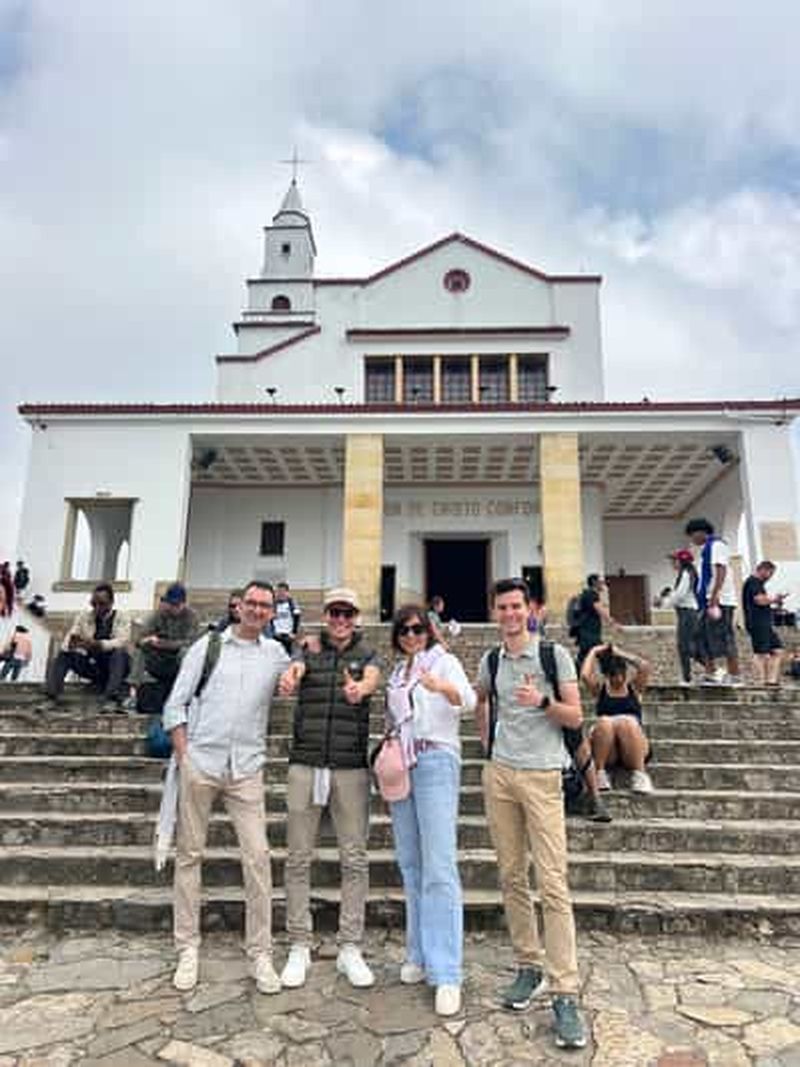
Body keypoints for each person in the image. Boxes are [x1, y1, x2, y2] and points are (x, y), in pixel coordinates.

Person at [475, 577, 587, 1051]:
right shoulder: (491, 658)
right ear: (495, 612)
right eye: (502, 607)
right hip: (500, 774)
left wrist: (541, 701)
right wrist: (487, 747)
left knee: (554, 882)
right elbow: (481, 700)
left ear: (531, 609)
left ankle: (565, 991)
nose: (510, 614)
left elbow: (576, 717)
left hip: (543, 775)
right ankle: (528, 966)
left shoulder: (552, 656)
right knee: (511, 876)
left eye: (517, 606)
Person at [163, 580, 289, 995]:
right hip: (202, 761)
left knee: (258, 857)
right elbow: (175, 703)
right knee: (189, 854)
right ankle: (187, 947)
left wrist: (299, 669)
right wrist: (185, 757)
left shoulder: (274, 654)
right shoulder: (208, 646)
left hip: (246, 767)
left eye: (264, 606)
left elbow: (295, 671)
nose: (256, 610)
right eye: (250, 603)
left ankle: (260, 952)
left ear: (273, 612)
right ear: (238, 607)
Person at [277, 588, 381, 990]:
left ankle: (350, 946)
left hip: (350, 768)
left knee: (354, 858)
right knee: (298, 858)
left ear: (356, 617)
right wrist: (291, 675)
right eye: (334, 612)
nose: (340, 619)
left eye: (347, 613)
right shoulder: (308, 649)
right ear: (325, 614)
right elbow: (296, 669)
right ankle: (299, 944)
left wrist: (361, 689)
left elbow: (371, 679)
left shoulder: (368, 656)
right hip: (305, 763)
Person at [385, 604, 476, 1017]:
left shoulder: (446, 661)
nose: (411, 636)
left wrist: (441, 687)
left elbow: (469, 701)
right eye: (404, 630)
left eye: (418, 629)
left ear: (430, 630)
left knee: (439, 865)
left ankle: (447, 971)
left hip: (437, 760)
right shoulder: (397, 672)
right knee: (410, 864)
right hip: (403, 766)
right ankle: (418, 953)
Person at [43, 583, 131, 711]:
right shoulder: (83, 617)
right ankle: (51, 697)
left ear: (111, 603)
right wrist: (75, 645)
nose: (97, 608)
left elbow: (122, 640)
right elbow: (69, 640)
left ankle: (112, 699)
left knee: (119, 653)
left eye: (101, 603)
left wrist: (98, 644)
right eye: (94, 603)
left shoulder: (122, 616)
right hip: (92, 665)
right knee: (64, 655)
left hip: (115, 667)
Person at [581, 644, 653, 793]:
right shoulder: (600, 689)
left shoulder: (634, 687)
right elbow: (585, 676)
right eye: (614, 675)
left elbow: (644, 667)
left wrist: (620, 653)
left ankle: (640, 774)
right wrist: (593, 651)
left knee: (626, 722)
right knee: (605, 722)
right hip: (608, 749)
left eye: (622, 674)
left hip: (633, 746)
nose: (619, 679)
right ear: (607, 675)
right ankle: (600, 773)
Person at [126, 582, 198, 712]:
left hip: (177, 661)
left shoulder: (191, 617)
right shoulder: (159, 614)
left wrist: (164, 644)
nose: (172, 607)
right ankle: (133, 694)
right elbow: (138, 639)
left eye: (176, 604)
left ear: (184, 603)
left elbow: (190, 643)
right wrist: (147, 640)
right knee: (140, 650)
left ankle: (186, 694)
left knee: (185, 652)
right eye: (170, 604)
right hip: (159, 659)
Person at [685, 518, 741, 685]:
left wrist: (716, 594)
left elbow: (720, 569)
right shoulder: (704, 551)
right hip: (706, 600)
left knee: (724, 638)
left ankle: (734, 674)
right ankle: (711, 672)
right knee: (700, 637)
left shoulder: (717, 546)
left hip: (720, 600)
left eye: (692, 535)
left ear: (701, 531)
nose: (692, 540)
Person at [742, 561, 785, 686]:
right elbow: (759, 600)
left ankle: (771, 681)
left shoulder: (758, 584)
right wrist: (775, 599)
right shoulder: (753, 582)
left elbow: (762, 603)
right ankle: (759, 681)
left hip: (764, 622)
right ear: (762, 570)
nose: (770, 577)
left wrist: (774, 606)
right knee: (760, 653)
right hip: (757, 622)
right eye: (770, 573)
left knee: (777, 651)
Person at [571, 574, 619, 670]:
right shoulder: (591, 594)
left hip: (586, 632)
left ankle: (574, 677)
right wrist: (612, 622)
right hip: (589, 633)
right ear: (594, 583)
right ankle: (612, 677)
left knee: (583, 657)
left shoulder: (587, 594)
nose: (603, 584)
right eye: (600, 582)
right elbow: (599, 609)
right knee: (603, 654)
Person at [667, 549, 699, 686]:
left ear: (682, 561)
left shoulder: (686, 574)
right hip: (685, 612)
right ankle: (688, 676)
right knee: (687, 646)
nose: (672, 563)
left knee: (685, 646)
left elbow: (680, 594)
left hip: (687, 612)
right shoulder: (685, 574)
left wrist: (666, 603)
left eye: (674, 560)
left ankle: (687, 678)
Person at [272, 581, 302, 652]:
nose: (280, 593)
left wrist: (294, 632)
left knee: (287, 655)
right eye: (278, 591)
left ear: (287, 592)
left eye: (283, 591)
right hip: (276, 634)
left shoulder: (292, 604)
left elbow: (297, 618)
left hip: (288, 635)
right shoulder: (273, 604)